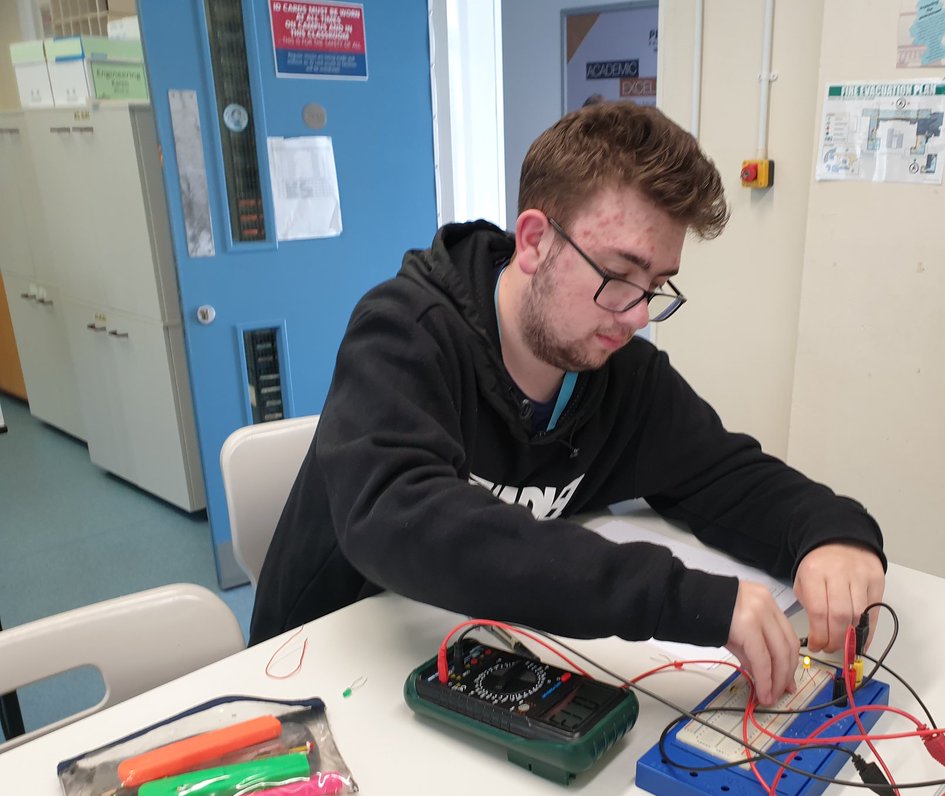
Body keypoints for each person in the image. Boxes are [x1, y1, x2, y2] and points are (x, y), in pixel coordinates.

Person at [251, 101, 885, 705]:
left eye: (657, 286)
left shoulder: (616, 370)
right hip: (322, 674)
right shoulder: (402, 334)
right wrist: (687, 601)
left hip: (481, 666)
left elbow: (725, 475)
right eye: (617, 275)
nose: (637, 315)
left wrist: (830, 535)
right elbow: (402, 517)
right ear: (533, 241)